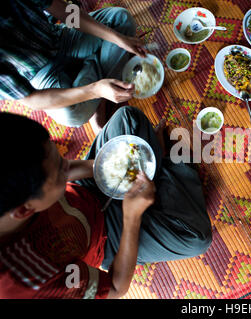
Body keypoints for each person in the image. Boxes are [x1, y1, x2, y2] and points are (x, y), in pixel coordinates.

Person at [0, 107, 212, 298]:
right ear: (24, 210)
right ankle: (161, 168)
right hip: (106, 240)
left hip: (85, 190)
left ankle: (159, 171)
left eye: (60, 158)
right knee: (196, 237)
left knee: (127, 119)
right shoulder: (29, 280)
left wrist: (115, 167)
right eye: (58, 170)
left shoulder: (24, 188)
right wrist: (131, 218)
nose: (66, 165)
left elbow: (67, 169)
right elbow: (115, 288)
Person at [0, 0, 149, 130]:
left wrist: (118, 39)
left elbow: (66, 14)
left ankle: (90, 85)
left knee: (121, 18)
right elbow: (31, 99)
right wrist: (95, 90)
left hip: (60, 37)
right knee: (72, 115)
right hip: (39, 73)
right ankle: (97, 87)